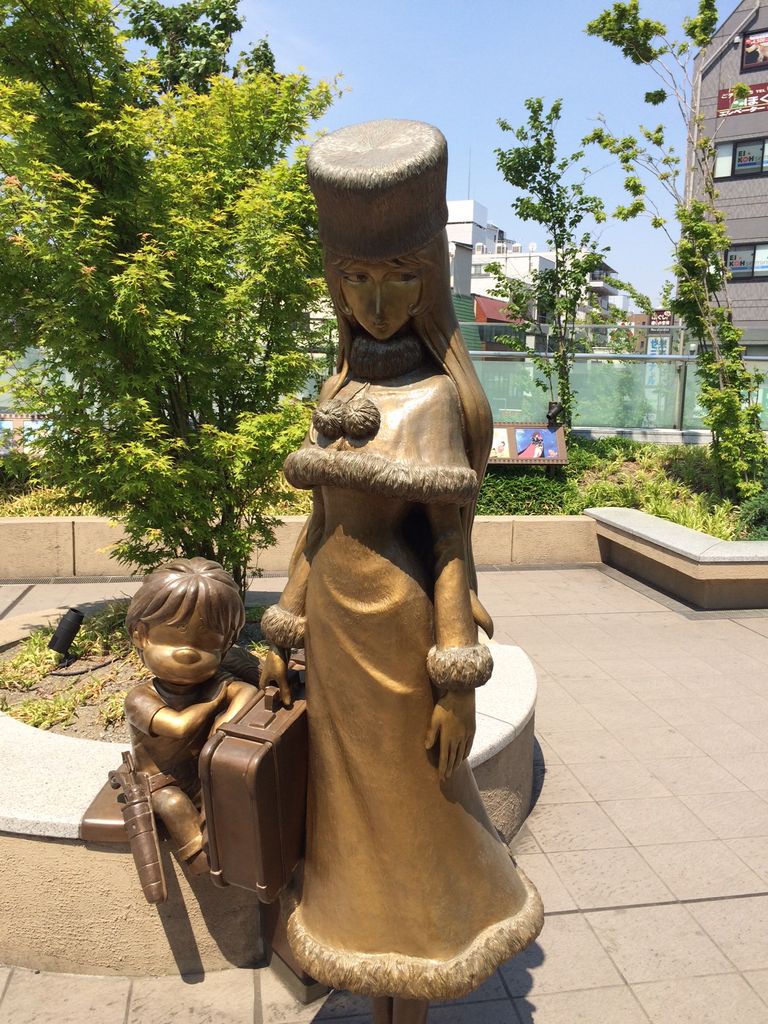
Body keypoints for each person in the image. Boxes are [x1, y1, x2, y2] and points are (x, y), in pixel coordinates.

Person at [260, 120, 543, 1024]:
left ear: (429, 280)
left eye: (398, 279)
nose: (377, 302)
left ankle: (420, 976)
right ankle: (372, 963)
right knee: (349, 815)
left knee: (416, 807)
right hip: (335, 638)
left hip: (401, 633)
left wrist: (456, 681)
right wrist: (286, 621)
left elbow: (450, 544)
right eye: (356, 280)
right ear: (335, 283)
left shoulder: (434, 399)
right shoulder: (338, 391)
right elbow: (317, 521)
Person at [124, 557, 259, 875]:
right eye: (173, 637)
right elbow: (179, 726)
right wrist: (215, 704)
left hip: (200, 774)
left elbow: (248, 690)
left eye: (206, 642)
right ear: (141, 635)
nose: (188, 652)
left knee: (233, 796)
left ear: (225, 645)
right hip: (160, 781)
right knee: (174, 806)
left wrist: (223, 729)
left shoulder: (215, 681)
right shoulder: (140, 698)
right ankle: (203, 861)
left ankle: (237, 849)